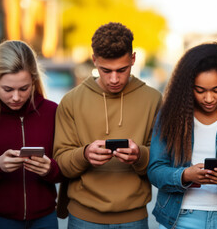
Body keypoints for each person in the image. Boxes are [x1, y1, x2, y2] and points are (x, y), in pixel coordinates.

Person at [53, 22, 162, 228]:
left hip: (134, 218)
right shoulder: (71, 101)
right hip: (83, 218)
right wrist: (84, 154)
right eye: (105, 70)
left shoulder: (154, 99)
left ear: (133, 59)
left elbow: (163, 162)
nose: (114, 79)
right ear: (94, 60)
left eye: (122, 69)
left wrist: (139, 155)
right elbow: (61, 163)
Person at [147, 42, 217, 229]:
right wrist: (185, 175)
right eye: (200, 90)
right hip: (180, 219)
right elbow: (155, 169)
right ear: (187, 86)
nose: (209, 98)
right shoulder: (170, 115)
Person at [0, 40, 63, 228]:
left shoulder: (52, 112)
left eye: (24, 88)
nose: (16, 97)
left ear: (34, 81)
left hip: (45, 219)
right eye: (8, 89)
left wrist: (50, 169)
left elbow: (68, 167)